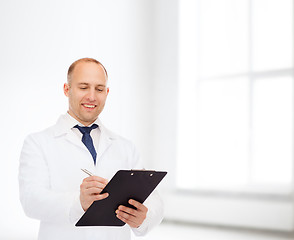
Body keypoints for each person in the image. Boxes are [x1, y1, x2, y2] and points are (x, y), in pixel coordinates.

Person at [18, 58, 164, 240]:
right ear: (67, 89)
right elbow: (31, 201)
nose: (92, 97)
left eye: (99, 89)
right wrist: (79, 202)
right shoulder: (38, 143)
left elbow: (154, 199)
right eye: (84, 87)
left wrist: (144, 217)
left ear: (107, 92)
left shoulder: (125, 147)